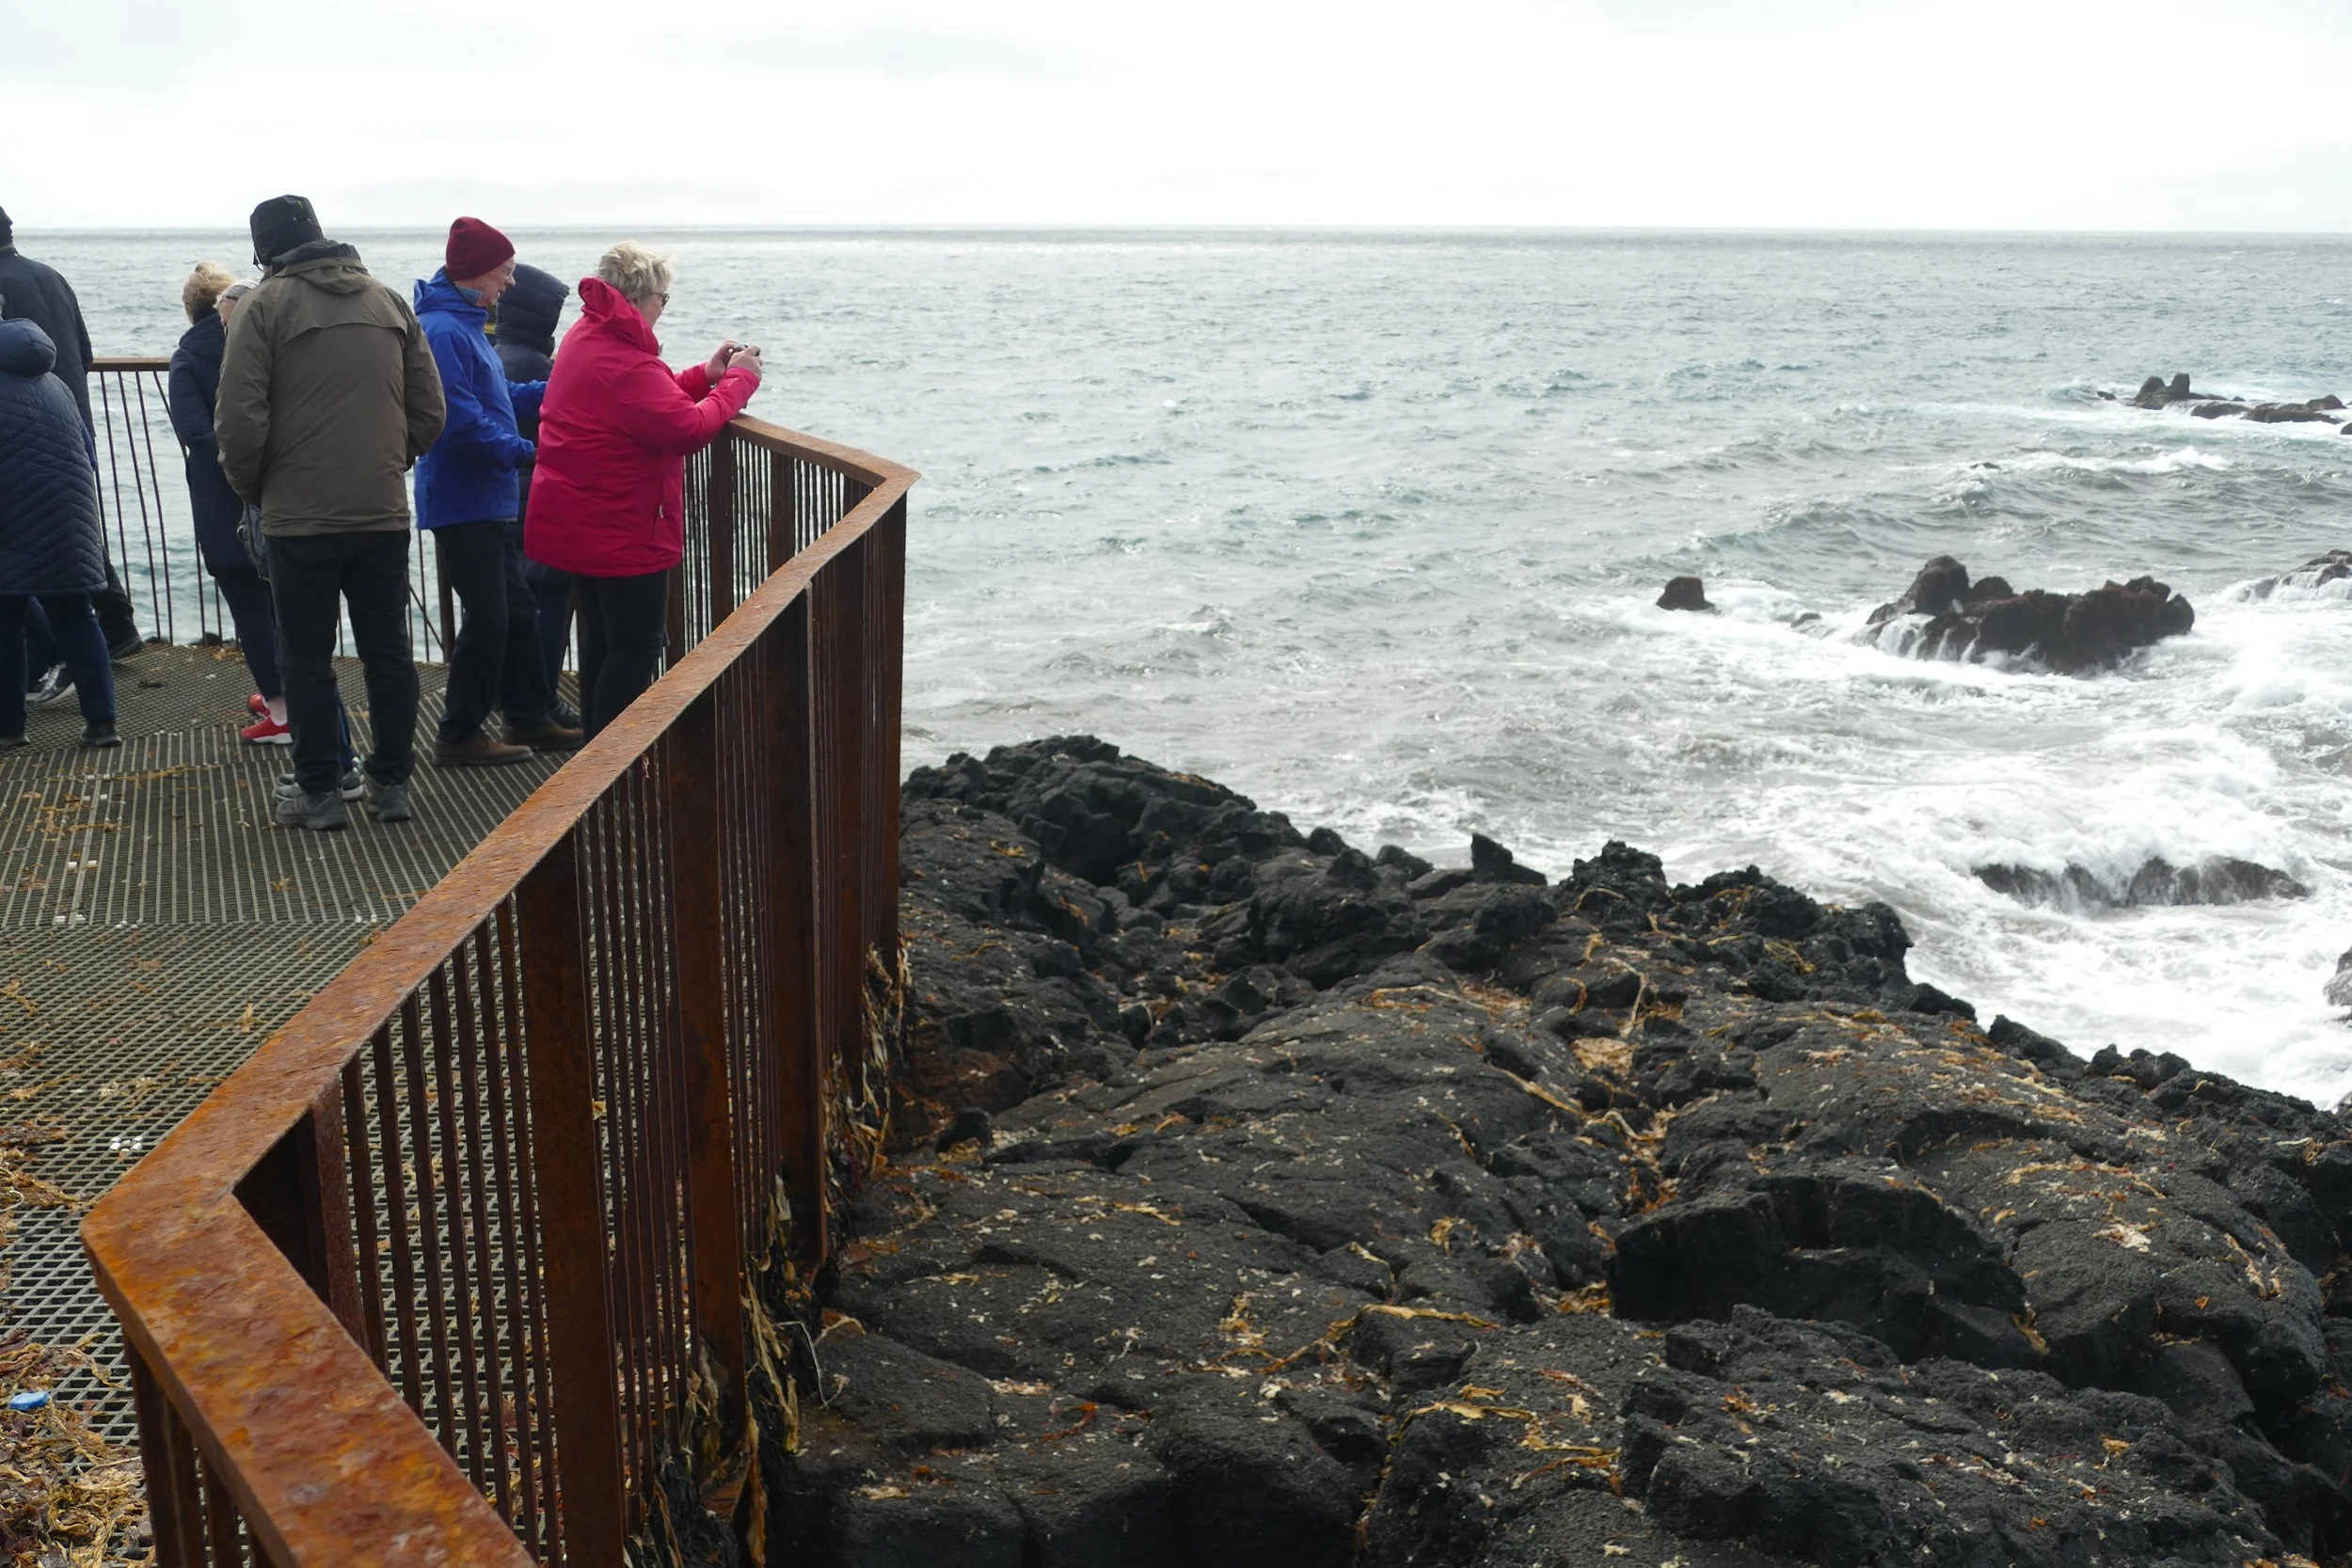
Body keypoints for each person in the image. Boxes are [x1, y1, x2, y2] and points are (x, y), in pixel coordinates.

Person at [215, 195, 445, 832]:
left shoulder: (262, 306)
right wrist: (384, 464)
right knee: (388, 652)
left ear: (265, 252)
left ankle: (320, 791)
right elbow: (430, 411)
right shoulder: (388, 300)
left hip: (298, 518)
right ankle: (392, 784)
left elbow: (239, 421)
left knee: (307, 658)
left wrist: (256, 487)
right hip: (380, 513)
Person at [526, 243, 759, 738]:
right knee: (636, 647)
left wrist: (705, 376)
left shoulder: (590, 336)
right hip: (623, 525)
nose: (663, 308)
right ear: (640, 298)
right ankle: (609, 773)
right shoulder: (625, 359)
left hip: (583, 518)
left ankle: (592, 761)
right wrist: (738, 382)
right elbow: (687, 430)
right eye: (663, 298)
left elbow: (645, 402)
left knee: (602, 641)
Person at [412, 218, 579, 766]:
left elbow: (497, 393)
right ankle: (459, 733)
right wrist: (525, 451)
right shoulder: (442, 329)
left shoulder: (463, 323)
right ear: (478, 271)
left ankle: (528, 717)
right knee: (491, 617)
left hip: (489, 496)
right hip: (465, 499)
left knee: (518, 610)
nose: (509, 283)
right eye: (504, 272)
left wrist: (557, 387)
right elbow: (457, 420)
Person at [0, 205, 141, 659]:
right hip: (71, 416)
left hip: (22, 426)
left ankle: (51, 655)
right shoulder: (51, 276)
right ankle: (117, 627)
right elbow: (84, 351)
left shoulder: (3, 286)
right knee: (72, 531)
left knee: (32, 540)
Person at [168, 263, 288, 743]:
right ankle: (291, 696)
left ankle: (281, 712)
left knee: (248, 606)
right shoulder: (268, 345)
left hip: (222, 496)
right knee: (280, 603)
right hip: (274, 489)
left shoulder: (186, 358)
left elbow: (193, 431)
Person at [0, 318, 119, 748]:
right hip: (71, 518)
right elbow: (87, 451)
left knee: (5, 626)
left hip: (12, 522)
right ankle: (103, 723)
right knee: (77, 616)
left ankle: (10, 727)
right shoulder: (54, 382)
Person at [492, 262, 579, 705]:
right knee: (550, 600)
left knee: (516, 604)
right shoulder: (533, 364)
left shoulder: (496, 352)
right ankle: (542, 699)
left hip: (506, 498)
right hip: (539, 495)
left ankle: (514, 694)